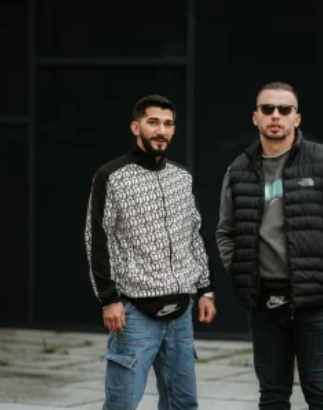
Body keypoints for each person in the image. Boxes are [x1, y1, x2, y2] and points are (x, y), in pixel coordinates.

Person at [216, 82, 323, 410]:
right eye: (267, 109)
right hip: (264, 303)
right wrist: (239, 268)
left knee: (322, 397)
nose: (276, 115)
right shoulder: (238, 170)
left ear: (296, 118)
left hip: (316, 303)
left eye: (284, 109)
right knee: (272, 396)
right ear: (255, 117)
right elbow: (225, 231)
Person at [85, 95, 216, 410]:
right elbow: (97, 239)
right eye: (153, 122)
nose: (161, 130)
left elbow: (194, 235)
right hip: (133, 315)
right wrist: (109, 299)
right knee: (121, 404)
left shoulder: (181, 177)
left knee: (183, 404)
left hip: (181, 313)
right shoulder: (111, 176)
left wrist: (206, 289)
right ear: (136, 127)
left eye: (168, 124)